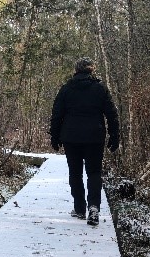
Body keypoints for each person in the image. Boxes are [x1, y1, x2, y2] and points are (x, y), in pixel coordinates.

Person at [49, 57, 120, 226]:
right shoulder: (100, 89)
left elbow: (57, 114)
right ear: (91, 70)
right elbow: (112, 114)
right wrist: (114, 135)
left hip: (71, 137)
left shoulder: (66, 89)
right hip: (94, 137)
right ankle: (94, 207)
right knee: (94, 172)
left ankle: (80, 208)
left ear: (76, 70)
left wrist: (55, 137)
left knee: (75, 172)